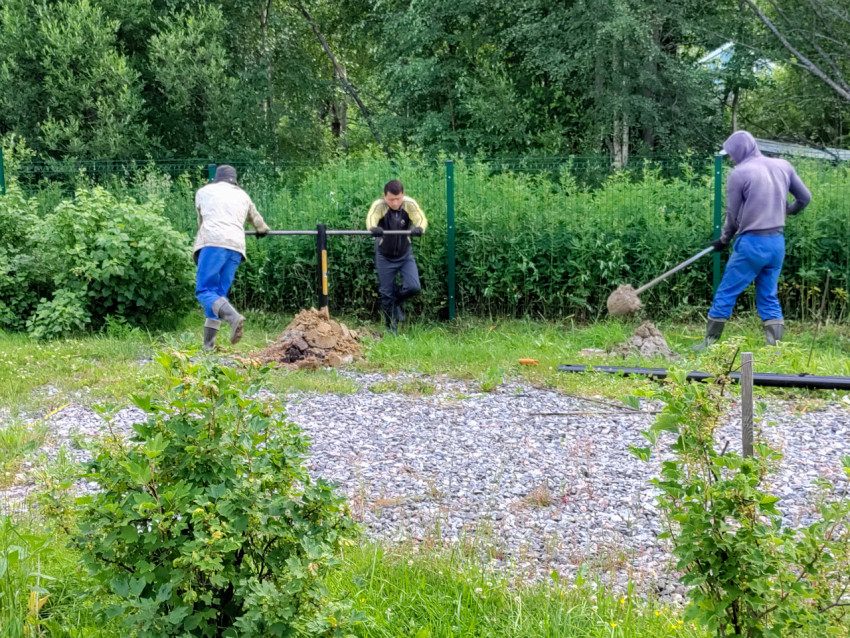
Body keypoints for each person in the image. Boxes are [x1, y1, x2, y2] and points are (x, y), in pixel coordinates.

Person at [697, 131, 811, 350]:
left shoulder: (739, 173)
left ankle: (709, 344)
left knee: (727, 291)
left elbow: (732, 215)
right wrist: (787, 210)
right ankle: (775, 348)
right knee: (768, 294)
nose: (731, 158)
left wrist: (724, 239)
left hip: (752, 244)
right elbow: (805, 198)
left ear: (739, 150)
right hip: (776, 243)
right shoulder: (783, 166)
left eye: (731, 154)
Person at [193, 165, 270, 350]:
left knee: (204, 291)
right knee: (217, 297)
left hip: (212, 244)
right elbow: (257, 220)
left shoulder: (203, 192)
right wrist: (261, 229)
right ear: (234, 181)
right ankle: (208, 346)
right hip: (235, 246)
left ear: (215, 179)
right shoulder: (242, 195)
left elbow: (202, 221)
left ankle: (233, 317)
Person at [367, 180, 428, 334]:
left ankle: (396, 302)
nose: (395, 203)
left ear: (403, 194)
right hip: (384, 256)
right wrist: (374, 228)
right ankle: (390, 328)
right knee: (386, 294)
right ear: (385, 196)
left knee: (414, 286)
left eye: (398, 198)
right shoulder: (379, 205)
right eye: (391, 199)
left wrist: (419, 228)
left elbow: (420, 218)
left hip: (404, 254)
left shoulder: (409, 204)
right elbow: (370, 219)